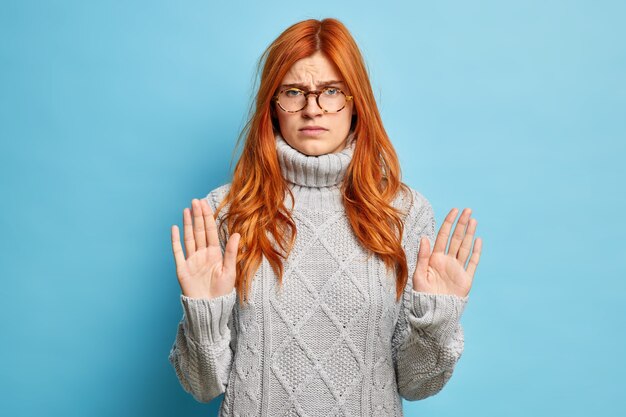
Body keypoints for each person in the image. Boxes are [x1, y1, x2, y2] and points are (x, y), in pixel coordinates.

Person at [168, 17, 482, 417]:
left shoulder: (403, 212)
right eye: (294, 92)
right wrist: (203, 312)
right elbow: (202, 386)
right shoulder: (227, 211)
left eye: (331, 91)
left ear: (355, 103)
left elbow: (417, 385)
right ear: (273, 106)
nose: (312, 108)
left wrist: (437, 318)